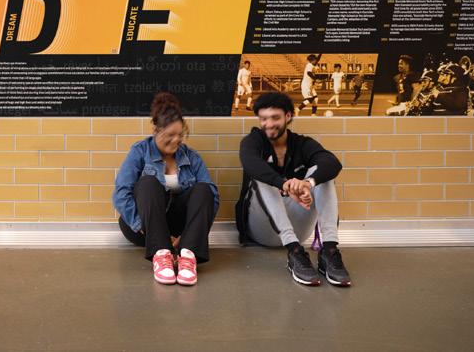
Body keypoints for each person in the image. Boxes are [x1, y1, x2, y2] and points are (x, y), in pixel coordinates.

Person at [235, 92, 351, 287]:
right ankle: (295, 252)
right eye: (263, 119)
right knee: (261, 176)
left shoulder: (302, 144)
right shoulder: (252, 142)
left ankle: (329, 250)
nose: (268, 124)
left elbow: (332, 163)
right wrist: (284, 184)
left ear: (288, 116)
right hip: (261, 228)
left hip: (299, 228)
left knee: (323, 175)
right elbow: (250, 164)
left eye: (275, 118)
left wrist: (308, 183)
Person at [113, 92, 218, 286]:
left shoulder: (191, 157)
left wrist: (189, 236)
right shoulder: (140, 151)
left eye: (180, 135)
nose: (176, 140)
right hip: (143, 228)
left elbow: (211, 197)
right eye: (170, 135)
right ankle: (161, 254)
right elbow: (121, 194)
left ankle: (188, 255)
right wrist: (145, 227)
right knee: (148, 183)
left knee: (205, 189)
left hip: (180, 231)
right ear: (155, 130)